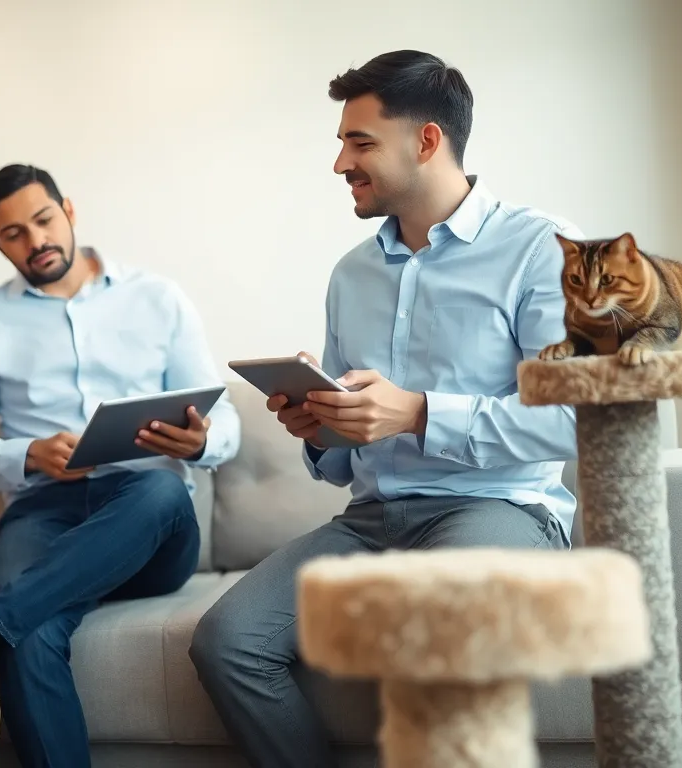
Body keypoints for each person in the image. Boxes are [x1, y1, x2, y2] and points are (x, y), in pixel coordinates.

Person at [188, 50, 582, 767]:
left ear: (426, 141)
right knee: (229, 641)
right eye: (343, 142)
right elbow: (342, 466)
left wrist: (420, 413)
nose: (340, 162)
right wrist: (318, 426)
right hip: (372, 522)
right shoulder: (352, 274)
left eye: (359, 141)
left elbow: (577, 422)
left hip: (498, 511)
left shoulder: (540, 249)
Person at [0, 163, 241, 767]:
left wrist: (199, 443)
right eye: (14, 234)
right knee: (31, 640)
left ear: (69, 210)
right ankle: (13, 619)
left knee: (161, 493)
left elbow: (224, 419)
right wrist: (26, 454)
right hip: (42, 510)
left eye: (44, 220)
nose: (36, 241)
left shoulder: (157, 297)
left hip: (147, 520)